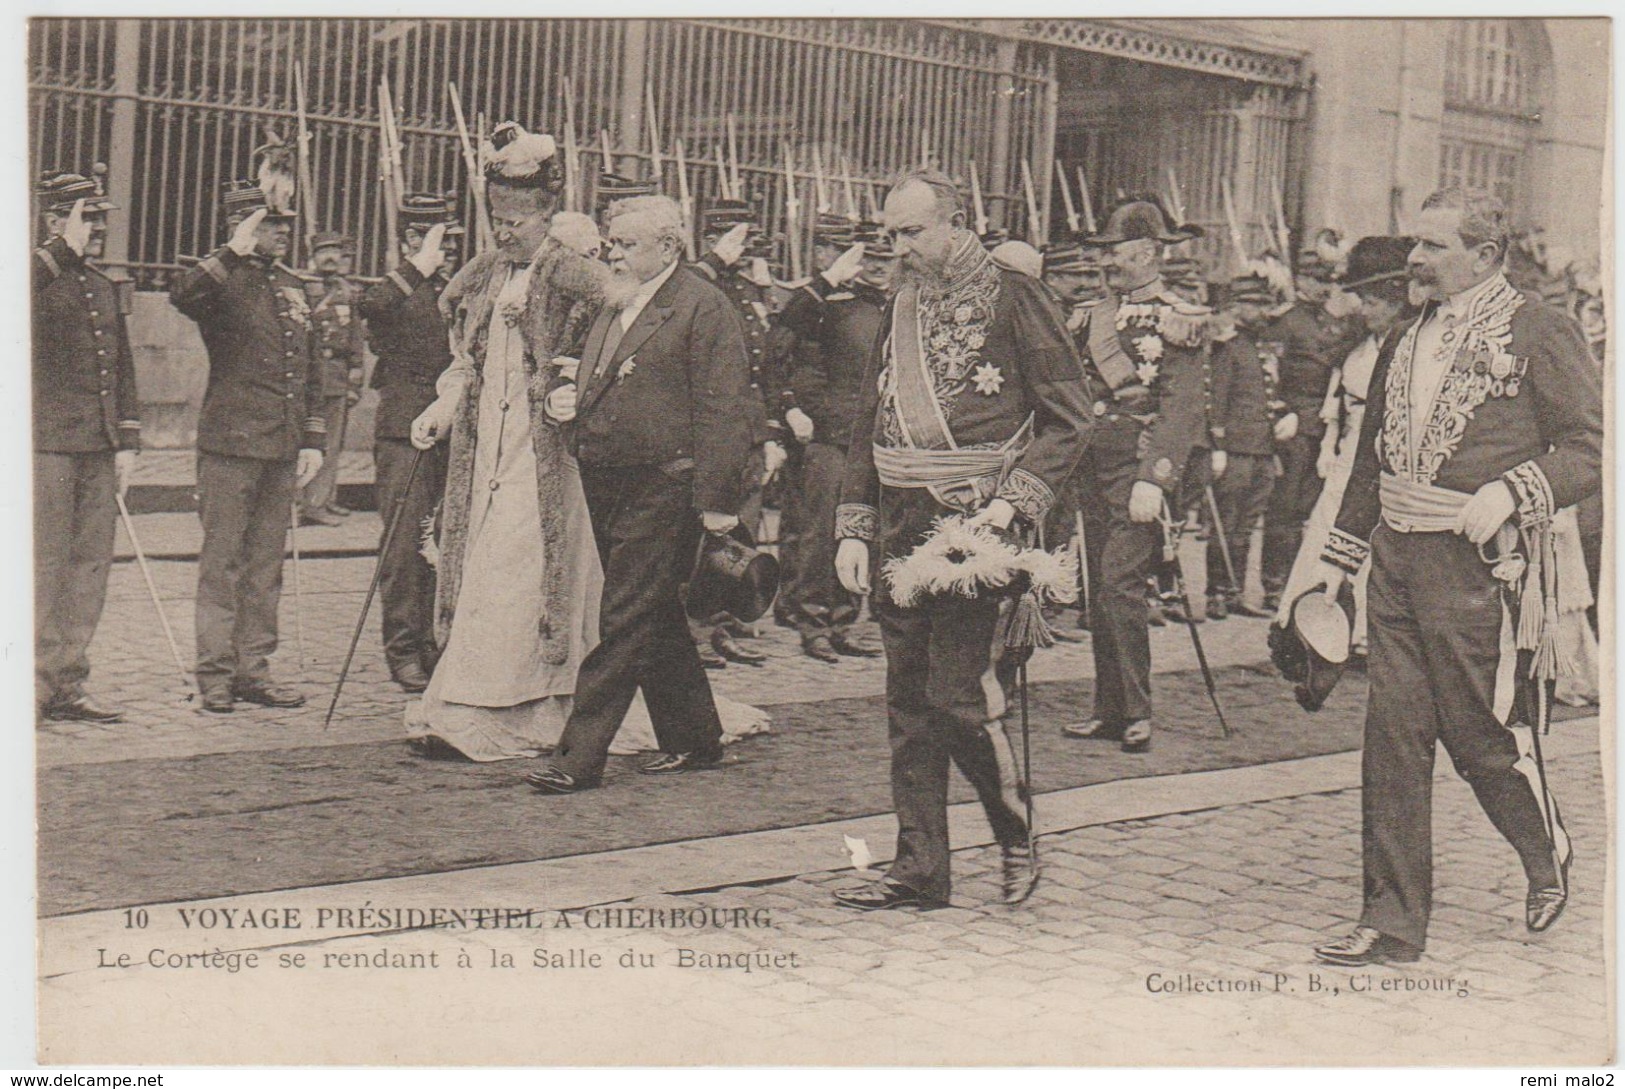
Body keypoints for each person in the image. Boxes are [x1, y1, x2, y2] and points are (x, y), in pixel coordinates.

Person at [1308, 189, 1600, 966]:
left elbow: (1586, 451)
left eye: (1433, 246)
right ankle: (1392, 920)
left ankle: (1545, 855)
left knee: (1479, 738)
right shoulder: (1404, 339)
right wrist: (1333, 572)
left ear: (1483, 255)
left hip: (1482, 568)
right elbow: (1368, 467)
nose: (1414, 259)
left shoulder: (1542, 328)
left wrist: (1509, 492)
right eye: (1415, 244)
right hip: (1397, 566)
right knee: (1392, 738)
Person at [830, 170, 1094, 910]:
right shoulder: (899, 305)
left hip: (977, 525)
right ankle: (919, 869)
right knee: (908, 703)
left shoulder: (1016, 296)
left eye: (911, 231)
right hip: (898, 521)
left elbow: (1070, 417)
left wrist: (1012, 507)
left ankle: (1014, 835)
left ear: (955, 222)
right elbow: (867, 418)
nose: (897, 247)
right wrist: (853, 522)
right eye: (889, 234)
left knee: (957, 700)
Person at [523, 193, 758, 793]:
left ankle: (577, 758)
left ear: (669, 247)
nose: (614, 254)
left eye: (627, 245)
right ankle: (694, 737)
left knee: (624, 614)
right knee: (652, 612)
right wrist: (565, 402)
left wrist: (717, 502)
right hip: (607, 476)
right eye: (612, 243)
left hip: (667, 484)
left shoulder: (704, 306)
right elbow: (586, 368)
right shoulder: (617, 298)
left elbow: (725, 407)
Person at [169, 182, 325, 714]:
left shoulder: (293, 285)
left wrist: (314, 438)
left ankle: (253, 670)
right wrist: (232, 250)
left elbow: (310, 367)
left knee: (266, 565)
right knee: (223, 564)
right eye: (269, 223)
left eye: (284, 223)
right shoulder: (219, 280)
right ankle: (214, 675)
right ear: (242, 227)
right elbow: (183, 296)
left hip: (281, 446)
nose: (282, 232)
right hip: (231, 445)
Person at [1060, 200, 1209, 753]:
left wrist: (1156, 478)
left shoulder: (1178, 317)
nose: (1106, 263)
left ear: (1146, 253)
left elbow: (1182, 407)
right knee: (1101, 587)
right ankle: (1108, 709)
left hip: (1137, 472)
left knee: (1121, 583)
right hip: (1093, 466)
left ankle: (1137, 712)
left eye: (1115, 252)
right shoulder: (1090, 315)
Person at [32, 168, 141, 723]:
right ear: (55, 220)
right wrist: (56, 251)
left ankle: (68, 680)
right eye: (87, 217)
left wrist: (126, 440)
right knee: (42, 565)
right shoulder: (34, 274)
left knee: (88, 565)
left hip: (95, 445)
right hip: (44, 443)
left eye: (99, 218)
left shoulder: (100, 285)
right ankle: (26, 685)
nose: (97, 228)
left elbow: (121, 367)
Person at [1274, 236, 1416, 643]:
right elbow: (1334, 398)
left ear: (1398, 301)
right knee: (1326, 527)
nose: (1366, 310)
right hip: (1347, 452)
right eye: (1363, 301)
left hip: (1386, 459)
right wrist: (1328, 444)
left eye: (1375, 302)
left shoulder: (1409, 347)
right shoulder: (1354, 348)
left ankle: (1362, 630)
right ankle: (1308, 620)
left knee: (1374, 537)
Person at [357, 194, 464, 693]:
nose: (450, 250)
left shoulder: (457, 289)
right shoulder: (395, 290)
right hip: (406, 432)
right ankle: (403, 649)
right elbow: (373, 308)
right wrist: (417, 267)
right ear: (411, 240)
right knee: (404, 545)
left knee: (443, 543)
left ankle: (434, 643)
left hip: (455, 429)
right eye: (440, 239)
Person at [777, 223, 894, 663]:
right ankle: (814, 622)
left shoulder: (898, 306)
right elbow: (801, 363)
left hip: (879, 441)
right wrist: (825, 418)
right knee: (822, 533)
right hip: (835, 438)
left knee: (865, 534)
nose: (880, 268)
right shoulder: (831, 305)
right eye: (871, 259)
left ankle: (846, 619)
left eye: (888, 260)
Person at [688, 199, 789, 666]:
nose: (747, 250)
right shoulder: (697, 282)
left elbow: (766, 365)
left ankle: (723, 625)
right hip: (707, 432)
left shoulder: (749, 292)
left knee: (739, 537)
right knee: (697, 536)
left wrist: (769, 434)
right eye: (739, 241)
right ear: (713, 240)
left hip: (746, 431)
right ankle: (689, 632)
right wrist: (716, 262)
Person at [1258, 251, 1360, 610]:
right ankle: (1273, 583)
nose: (1323, 288)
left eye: (1328, 281)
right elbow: (1270, 373)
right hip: (1296, 423)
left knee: (1310, 506)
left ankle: (1300, 579)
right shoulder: (1284, 323)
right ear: (1300, 280)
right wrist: (1281, 413)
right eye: (1316, 280)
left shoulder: (1333, 323)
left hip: (1325, 423)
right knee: (1284, 508)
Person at [1204, 273, 1286, 620]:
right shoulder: (1228, 348)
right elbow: (1216, 400)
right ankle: (1216, 593)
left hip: (1263, 450)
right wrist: (1217, 445)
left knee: (1247, 524)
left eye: (1264, 304)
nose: (1262, 311)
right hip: (1235, 449)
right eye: (1254, 304)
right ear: (1236, 307)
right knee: (1225, 522)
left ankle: (1236, 590)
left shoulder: (1262, 346)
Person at [298, 232, 366, 527]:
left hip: (337, 376)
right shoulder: (300, 288)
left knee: (332, 443)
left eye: (335, 252)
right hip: (306, 376)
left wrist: (356, 372)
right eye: (324, 252)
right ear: (312, 257)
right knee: (302, 441)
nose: (330, 258)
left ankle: (320, 502)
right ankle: (294, 504)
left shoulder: (348, 292)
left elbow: (355, 336)